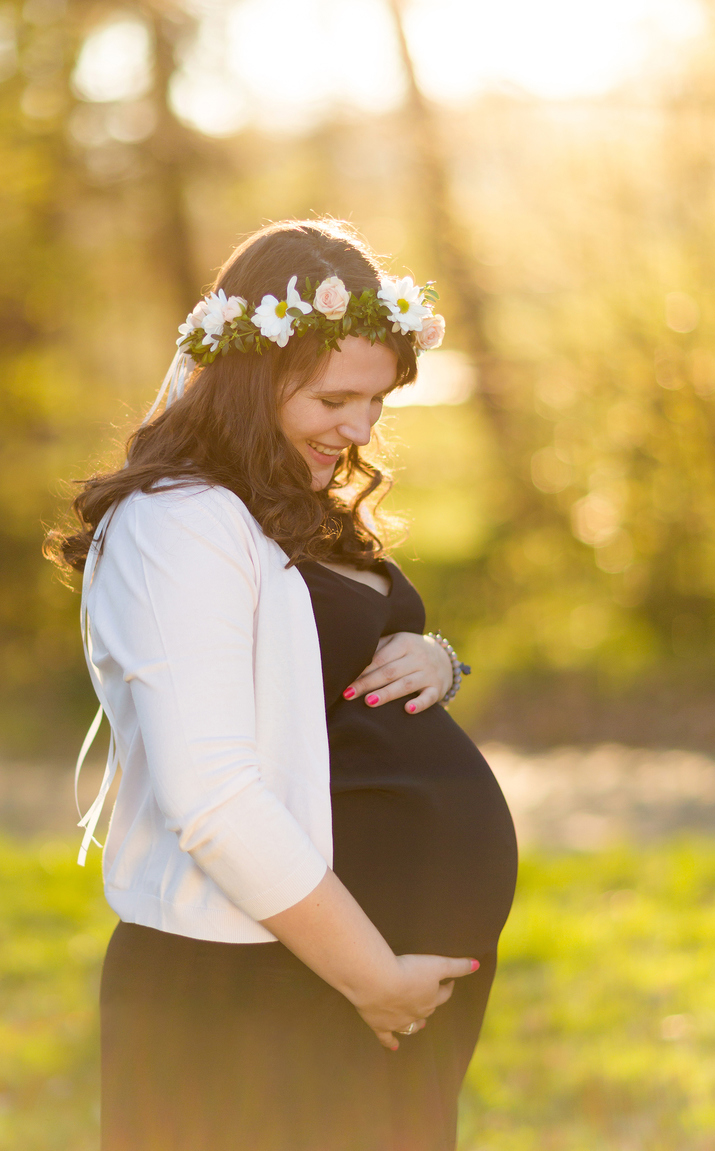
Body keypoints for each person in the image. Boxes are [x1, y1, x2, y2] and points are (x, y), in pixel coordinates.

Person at [48, 219, 517, 1151]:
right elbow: (215, 797)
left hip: (329, 985)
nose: (359, 430)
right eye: (336, 398)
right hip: (256, 993)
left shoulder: (276, 500)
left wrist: (437, 658)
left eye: (377, 403)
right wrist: (371, 975)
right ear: (248, 381)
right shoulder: (177, 522)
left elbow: (319, 676)